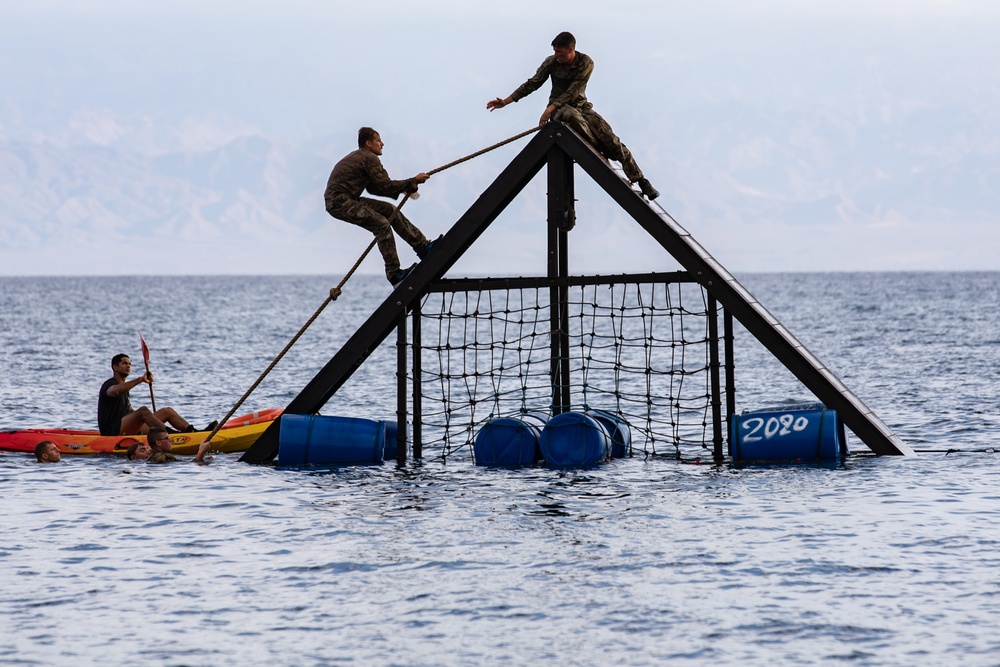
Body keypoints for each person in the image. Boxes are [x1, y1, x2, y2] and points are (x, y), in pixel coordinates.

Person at [487, 31, 660, 201]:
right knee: (572, 117)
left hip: (581, 106)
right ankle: (598, 147)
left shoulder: (585, 63)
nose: (556, 55)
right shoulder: (551, 62)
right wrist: (507, 101)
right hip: (560, 110)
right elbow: (533, 83)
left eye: (559, 52)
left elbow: (573, 91)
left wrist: (548, 110)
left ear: (571, 50)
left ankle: (641, 180)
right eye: (554, 51)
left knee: (611, 138)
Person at [324, 127, 441, 285]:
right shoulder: (368, 158)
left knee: (389, 210)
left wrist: (406, 187)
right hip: (339, 202)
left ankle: (423, 247)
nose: (382, 144)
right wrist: (413, 181)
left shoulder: (362, 157)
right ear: (368, 143)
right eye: (378, 140)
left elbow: (375, 188)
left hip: (348, 199)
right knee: (381, 225)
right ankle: (394, 274)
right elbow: (385, 185)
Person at [97, 353, 200, 437]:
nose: (128, 366)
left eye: (130, 363)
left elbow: (129, 411)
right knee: (143, 410)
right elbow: (113, 391)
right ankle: (170, 435)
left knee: (166, 411)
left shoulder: (124, 387)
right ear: (115, 367)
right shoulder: (110, 384)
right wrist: (140, 379)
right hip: (111, 431)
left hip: (125, 426)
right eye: (124, 363)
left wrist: (151, 418)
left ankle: (193, 432)